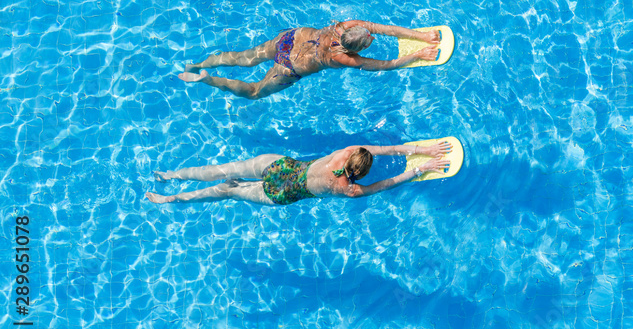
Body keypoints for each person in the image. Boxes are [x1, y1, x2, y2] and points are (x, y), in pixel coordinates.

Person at [178, 20, 442, 99]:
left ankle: (200, 65)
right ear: (354, 49)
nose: (372, 37)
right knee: (255, 91)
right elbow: (385, 66)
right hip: (289, 67)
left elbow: (382, 28)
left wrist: (419, 34)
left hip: (291, 39)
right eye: (368, 41)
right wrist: (417, 53)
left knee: (244, 59)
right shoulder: (344, 60)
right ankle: (209, 80)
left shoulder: (346, 26)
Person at [146, 141, 452, 205]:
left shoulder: (346, 151)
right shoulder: (347, 188)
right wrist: (420, 168)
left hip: (281, 165)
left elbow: (389, 148)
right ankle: (171, 199)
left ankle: (172, 175)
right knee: (228, 191)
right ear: (360, 173)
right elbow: (386, 183)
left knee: (224, 171)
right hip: (281, 193)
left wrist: (413, 150)